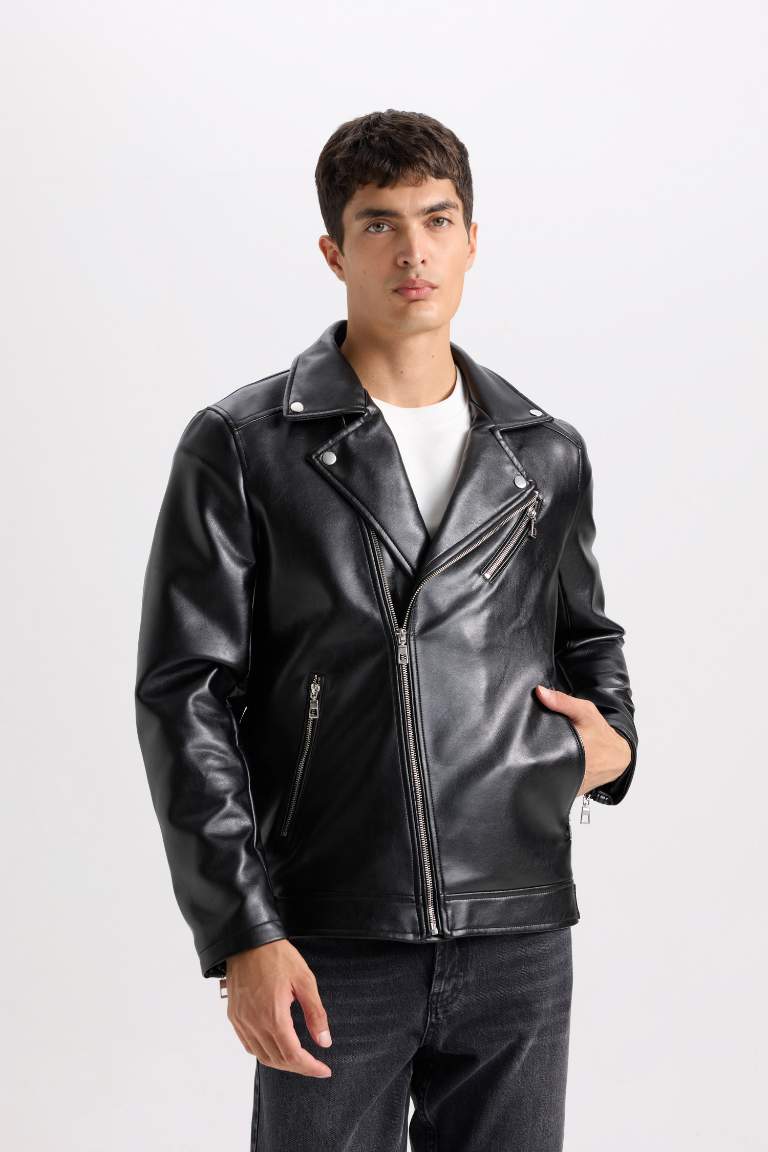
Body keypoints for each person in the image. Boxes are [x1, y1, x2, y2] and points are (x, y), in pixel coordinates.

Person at [135, 108, 638, 1151]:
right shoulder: (244, 445)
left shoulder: (543, 451)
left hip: (517, 920)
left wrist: (614, 744)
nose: (414, 251)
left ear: (471, 240)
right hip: (331, 927)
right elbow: (186, 699)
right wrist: (242, 930)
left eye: (437, 220)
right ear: (334, 251)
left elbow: (587, 635)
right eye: (380, 224)